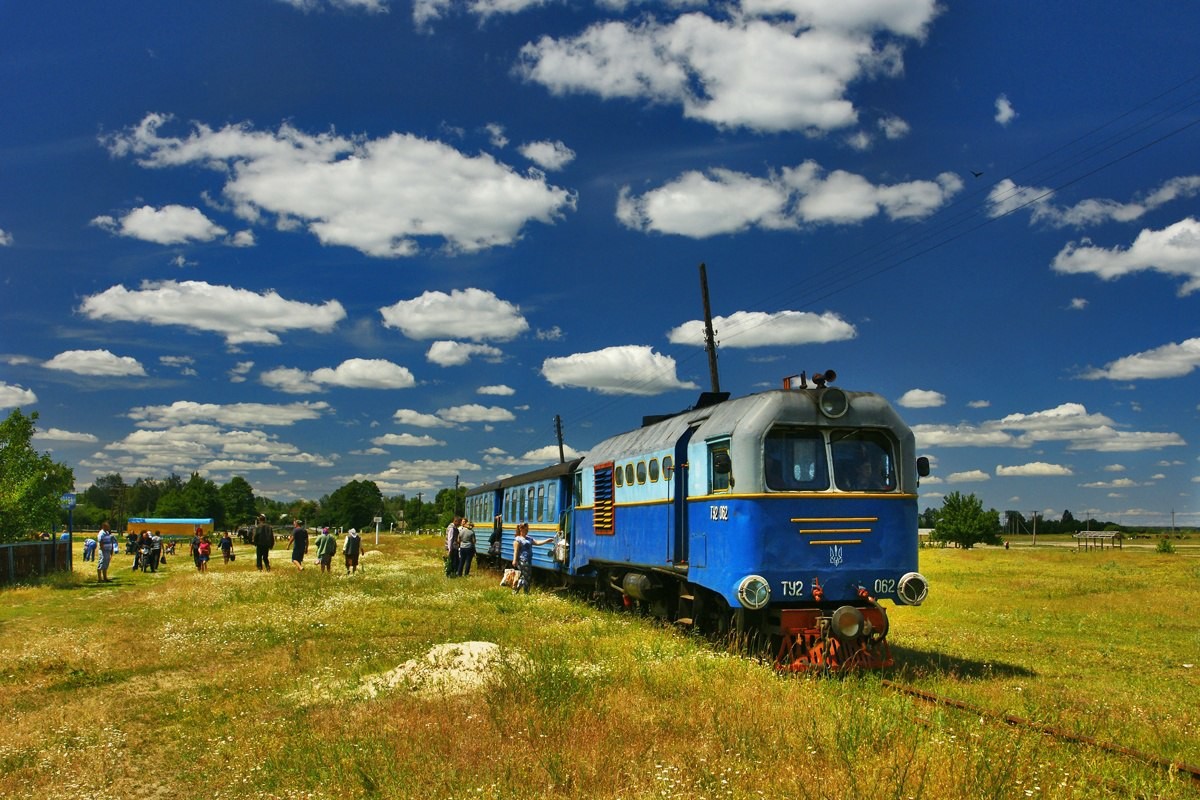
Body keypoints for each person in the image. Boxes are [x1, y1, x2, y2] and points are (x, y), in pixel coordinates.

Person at [511, 522, 554, 594]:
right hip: (522, 560)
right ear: (521, 529)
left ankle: (515, 591)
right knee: (527, 577)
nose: (527, 530)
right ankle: (525, 593)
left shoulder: (529, 538)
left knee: (524, 577)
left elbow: (537, 542)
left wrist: (547, 541)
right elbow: (515, 551)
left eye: (528, 529)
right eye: (526, 529)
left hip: (528, 560)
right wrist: (514, 560)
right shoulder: (517, 539)